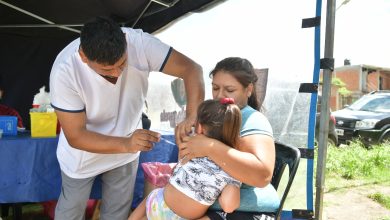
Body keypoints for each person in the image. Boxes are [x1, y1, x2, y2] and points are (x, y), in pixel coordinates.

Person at [49, 16, 204, 220]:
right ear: (84, 57)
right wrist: (127, 143)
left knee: (117, 214)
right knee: (70, 213)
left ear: (124, 40)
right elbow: (76, 136)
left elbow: (192, 69)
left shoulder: (140, 44)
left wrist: (192, 116)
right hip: (82, 156)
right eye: (106, 70)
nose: (117, 73)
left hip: (126, 151)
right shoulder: (64, 70)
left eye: (122, 63)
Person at [176, 57, 277, 220]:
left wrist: (209, 146)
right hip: (203, 202)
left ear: (248, 89)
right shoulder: (215, 115)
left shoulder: (253, 120)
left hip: (242, 210)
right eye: (215, 88)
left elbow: (263, 175)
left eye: (229, 90)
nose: (220, 96)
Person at [129, 98, 242, 220]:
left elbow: (179, 167)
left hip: (157, 203)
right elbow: (229, 206)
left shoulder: (190, 147)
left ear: (199, 128)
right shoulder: (232, 168)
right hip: (180, 218)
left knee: (151, 199)